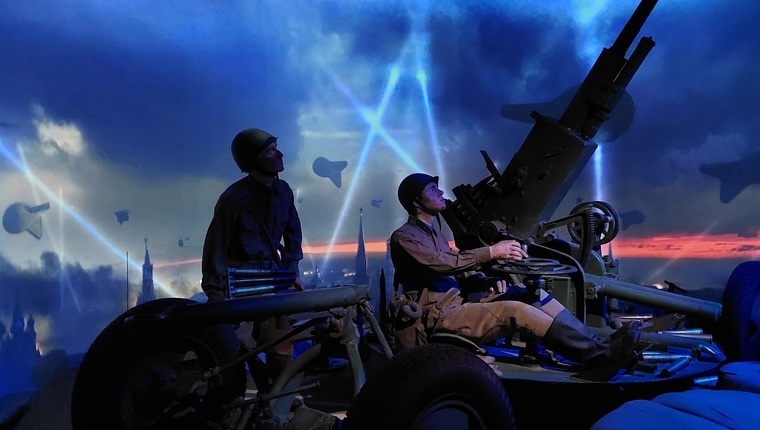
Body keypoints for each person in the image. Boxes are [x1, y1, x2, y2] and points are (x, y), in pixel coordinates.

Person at [389, 173, 639, 368]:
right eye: (432, 189)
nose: (441, 192)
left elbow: (453, 272)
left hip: (455, 303)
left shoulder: (433, 234)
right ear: (416, 201)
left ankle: (599, 345)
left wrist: (484, 281)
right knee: (517, 311)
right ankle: (598, 357)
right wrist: (492, 252)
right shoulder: (404, 237)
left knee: (532, 295)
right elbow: (442, 263)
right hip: (439, 316)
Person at [201, 128, 305, 383]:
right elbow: (216, 248)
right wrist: (217, 299)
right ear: (252, 159)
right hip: (241, 287)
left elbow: (293, 235)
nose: (279, 154)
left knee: (281, 351)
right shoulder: (233, 200)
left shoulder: (284, 192)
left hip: (275, 282)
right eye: (270, 151)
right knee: (235, 356)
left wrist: (292, 273)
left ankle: (277, 399)